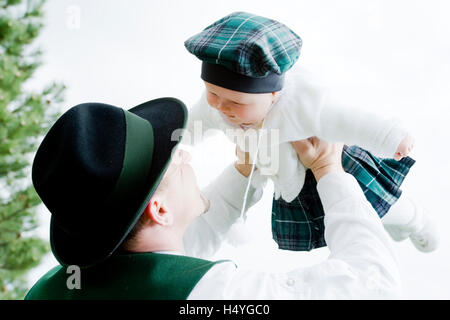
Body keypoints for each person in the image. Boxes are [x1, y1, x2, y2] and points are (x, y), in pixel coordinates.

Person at [26, 97, 401, 299]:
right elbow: (373, 286)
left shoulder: (48, 291)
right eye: (171, 164)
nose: (186, 156)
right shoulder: (214, 292)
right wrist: (327, 169)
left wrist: (246, 171)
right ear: (159, 209)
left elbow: (174, 251)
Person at [183, 11, 439, 252]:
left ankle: (415, 219)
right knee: (331, 222)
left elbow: (346, 118)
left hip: (336, 164)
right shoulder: (215, 105)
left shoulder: (302, 104)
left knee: (380, 206)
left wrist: (389, 136)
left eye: (236, 102)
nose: (220, 106)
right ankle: (380, 225)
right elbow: (192, 124)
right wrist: (175, 144)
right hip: (284, 175)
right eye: (212, 92)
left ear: (274, 94)